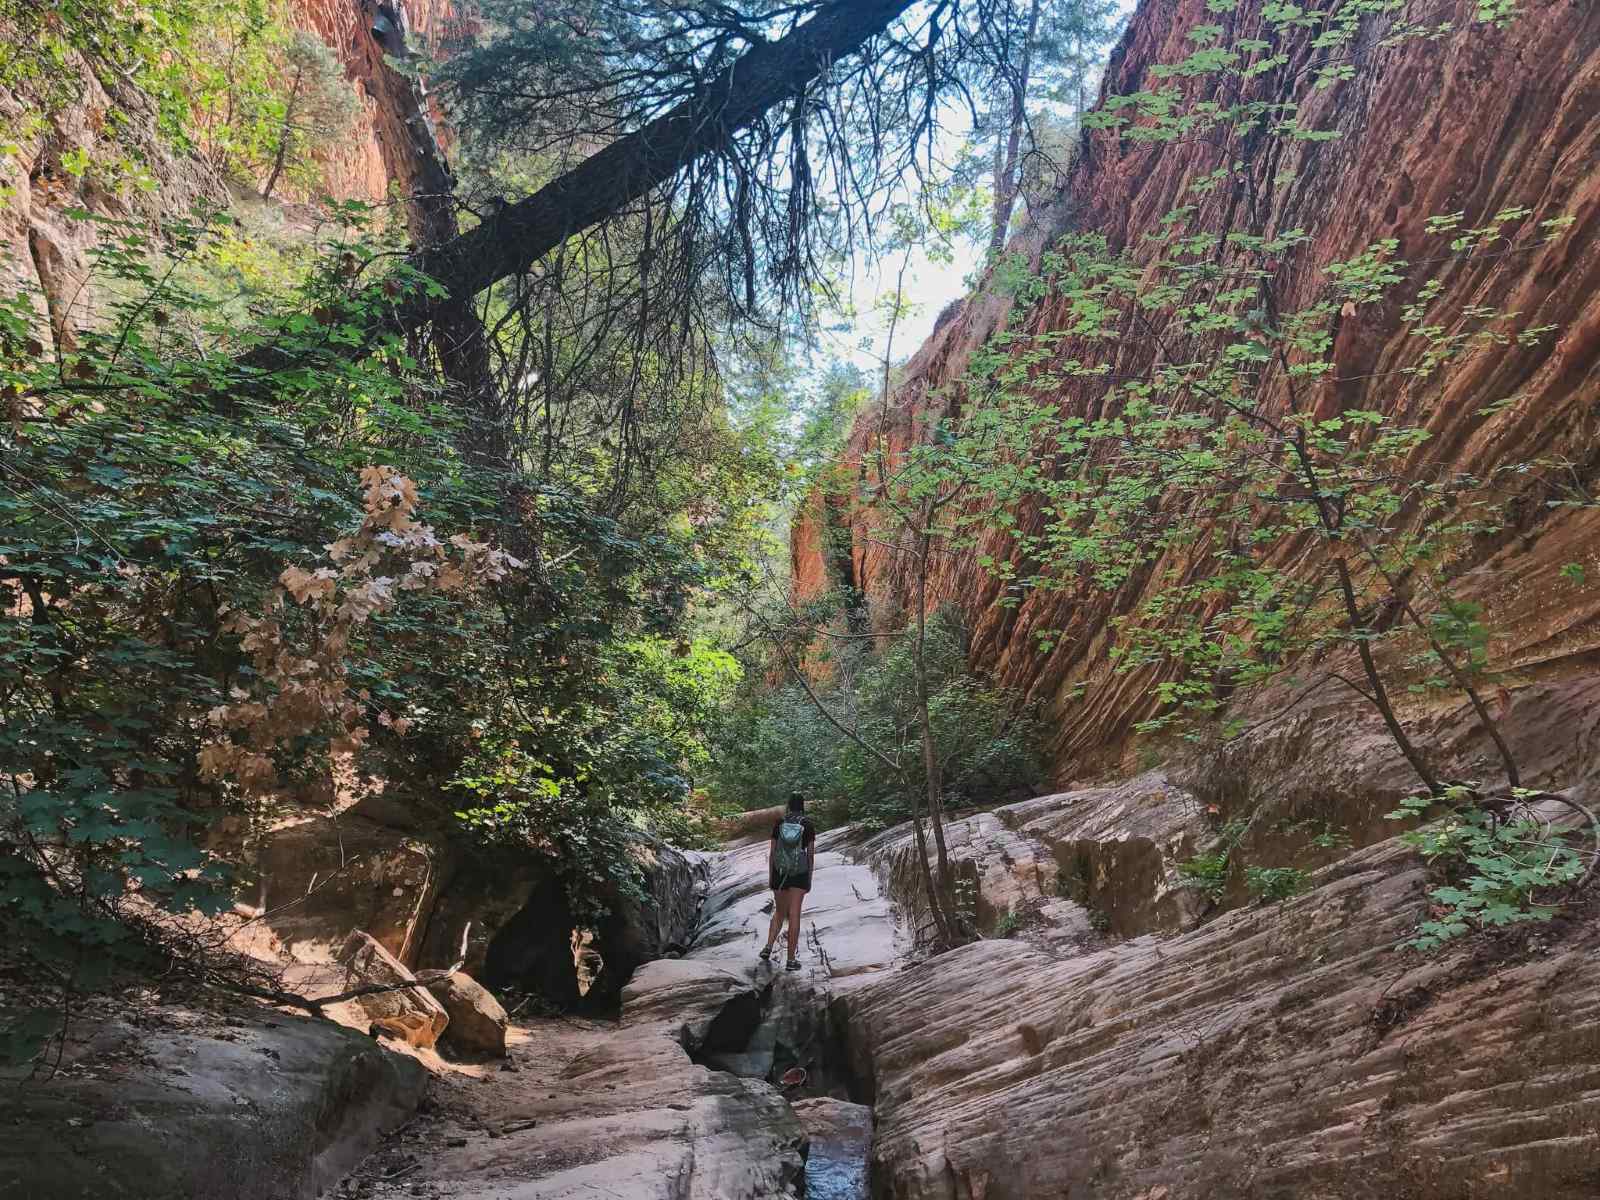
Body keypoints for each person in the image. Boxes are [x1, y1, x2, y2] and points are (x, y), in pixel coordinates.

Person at [760, 792, 816, 971]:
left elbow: (773, 852)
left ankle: (768, 947)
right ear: (803, 805)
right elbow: (811, 855)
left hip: (780, 871)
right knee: (794, 915)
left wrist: (771, 876)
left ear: (789, 805)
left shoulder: (779, 823)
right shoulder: (807, 825)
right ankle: (791, 960)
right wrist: (809, 878)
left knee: (779, 911)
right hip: (799, 874)